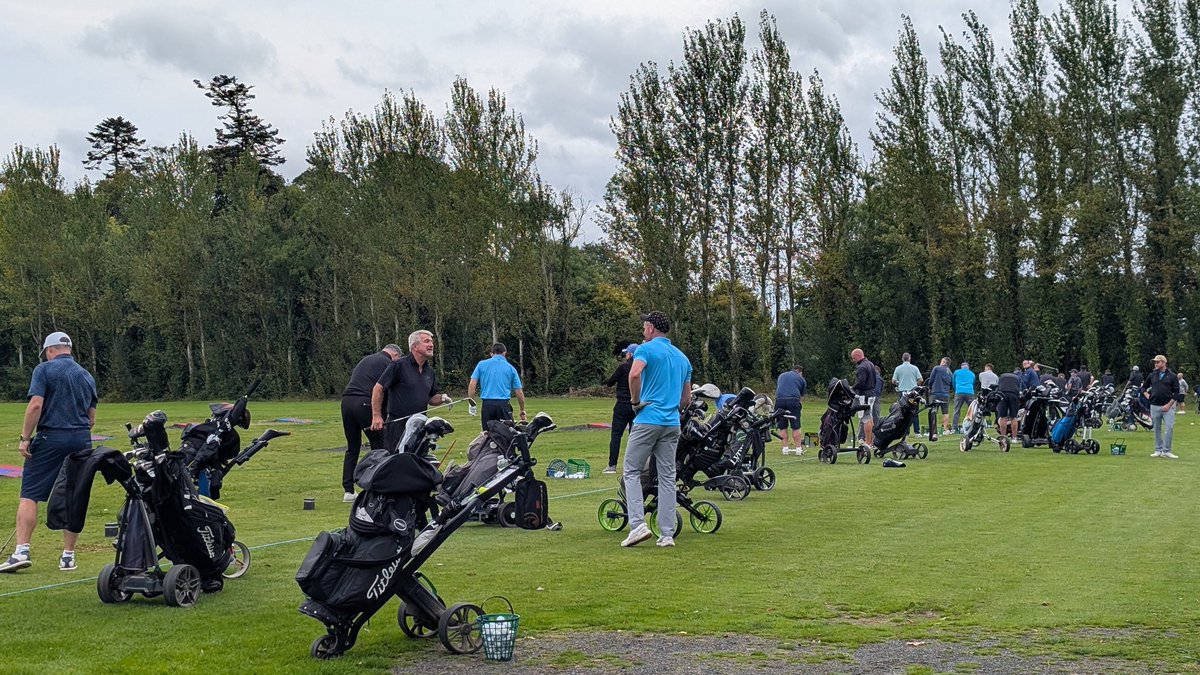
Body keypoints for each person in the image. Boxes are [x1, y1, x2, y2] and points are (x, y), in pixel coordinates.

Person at [1, 332, 97, 573]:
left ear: (50, 351)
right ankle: (68, 556)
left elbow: (35, 405)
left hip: (51, 436)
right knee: (73, 496)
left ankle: (21, 551)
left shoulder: (44, 370)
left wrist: (25, 438)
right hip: (82, 438)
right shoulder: (87, 376)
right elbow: (91, 418)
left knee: (30, 494)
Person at [621, 311, 692, 549]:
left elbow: (635, 373)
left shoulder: (646, 349)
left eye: (644, 326)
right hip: (672, 422)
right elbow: (686, 399)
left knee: (631, 470)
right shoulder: (682, 358)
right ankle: (667, 533)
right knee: (667, 477)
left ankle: (637, 525)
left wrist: (635, 401)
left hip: (648, 417)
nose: (643, 331)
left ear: (651, 328)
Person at [371, 330, 452, 454]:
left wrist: (442, 398)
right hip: (398, 426)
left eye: (431, 341)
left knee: (419, 463)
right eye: (426, 341)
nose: (431, 344)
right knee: (395, 463)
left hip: (420, 426)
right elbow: (378, 388)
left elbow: (431, 398)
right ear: (415, 346)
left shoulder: (429, 371)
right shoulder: (398, 365)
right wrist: (376, 416)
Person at [340, 344, 402, 502]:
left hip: (346, 403)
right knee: (380, 447)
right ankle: (378, 486)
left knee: (352, 448)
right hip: (366, 404)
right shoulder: (389, 364)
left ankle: (348, 490)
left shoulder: (367, 359)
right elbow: (385, 390)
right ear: (395, 355)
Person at [467, 343, 526, 432]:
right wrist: (522, 410)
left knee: (487, 435)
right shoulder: (511, 368)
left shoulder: (481, 364)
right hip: (503, 405)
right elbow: (519, 393)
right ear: (504, 353)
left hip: (487, 405)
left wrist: (472, 404)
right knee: (508, 434)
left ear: (491, 353)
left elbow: (472, 385)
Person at [601, 344, 639, 473]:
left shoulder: (623, 367)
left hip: (622, 405)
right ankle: (635, 466)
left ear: (630, 354)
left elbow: (610, 382)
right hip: (636, 405)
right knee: (635, 437)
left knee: (616, 435)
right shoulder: (642, 368)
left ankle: (612, 465)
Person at [1142, 354, 1183, 459]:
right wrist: (1148, 396)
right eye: (1155, 362)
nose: (1156, 364)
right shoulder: (1152, 375)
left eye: (1158, 362)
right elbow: (1143, 388)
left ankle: (1167, 450)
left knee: (1169, 427)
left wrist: (1169, 405)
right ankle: (1158, 449)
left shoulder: (1172, 376)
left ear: (1164, 363)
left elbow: (1176, 392)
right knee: (1156, 429)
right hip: (1155, 406)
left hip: (1168, 406)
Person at [774, 364, 806, 455]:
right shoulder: (801, 379)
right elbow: (801, 396)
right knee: (796, 426)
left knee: (782, 426)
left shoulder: (781, 375)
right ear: (800, 372)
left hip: (779, 400)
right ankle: (798, 449)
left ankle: (785, 449)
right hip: (793, 400)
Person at [849, 348, 877, 446]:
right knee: (870, 418)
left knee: (866, 419)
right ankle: (871, 442)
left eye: (853, 358)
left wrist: (851, 388)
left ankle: (868, 442)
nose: (853, 361)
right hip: (872, 393)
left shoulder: (861, 367)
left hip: (865, 395)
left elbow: (861, 382)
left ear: (858, 356)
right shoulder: (870, 364)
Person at [891, 353, 924, 434]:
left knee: (903, 412)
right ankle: (917, 431)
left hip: (903, 392)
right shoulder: (915, 368)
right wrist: (915, 384)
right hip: (913, 392)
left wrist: (899, 383)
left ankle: (906, 431)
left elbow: (893, 381)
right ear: (909, 358)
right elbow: (921, 380)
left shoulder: (898, 368)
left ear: (902, 359)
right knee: (915, 411)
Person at [995, 364, 1021, 447]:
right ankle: (1014, 438)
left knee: (1003, 416)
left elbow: (998, 386)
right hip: (1013, 394)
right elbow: (1020, 388)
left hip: (1003, 394)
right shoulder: (1017, 377)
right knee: (1014, 417)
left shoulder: (1002, 376)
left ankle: (1003, 437)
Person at [927, 357, 953, 436]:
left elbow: (931, 379)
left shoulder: (937, 368)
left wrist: (929, 387)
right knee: (945, 412)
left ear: (944, 362)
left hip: (936, 393)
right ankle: (946, 430)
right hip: (945, 394)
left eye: (941, 361)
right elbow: (952, 384)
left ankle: (933, 432)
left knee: (933, 412)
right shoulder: (950, 372)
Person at [952, 361, 976, 432]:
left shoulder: (956, 372)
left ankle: (954, 427)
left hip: (959, 391)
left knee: (957, 410)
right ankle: (973, 425)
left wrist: (956, 389)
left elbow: (953, 382)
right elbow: (973, 383)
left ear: (961, 366)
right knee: (972, 410)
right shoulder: (972, 374)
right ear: (968, 367)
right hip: (969, 392)